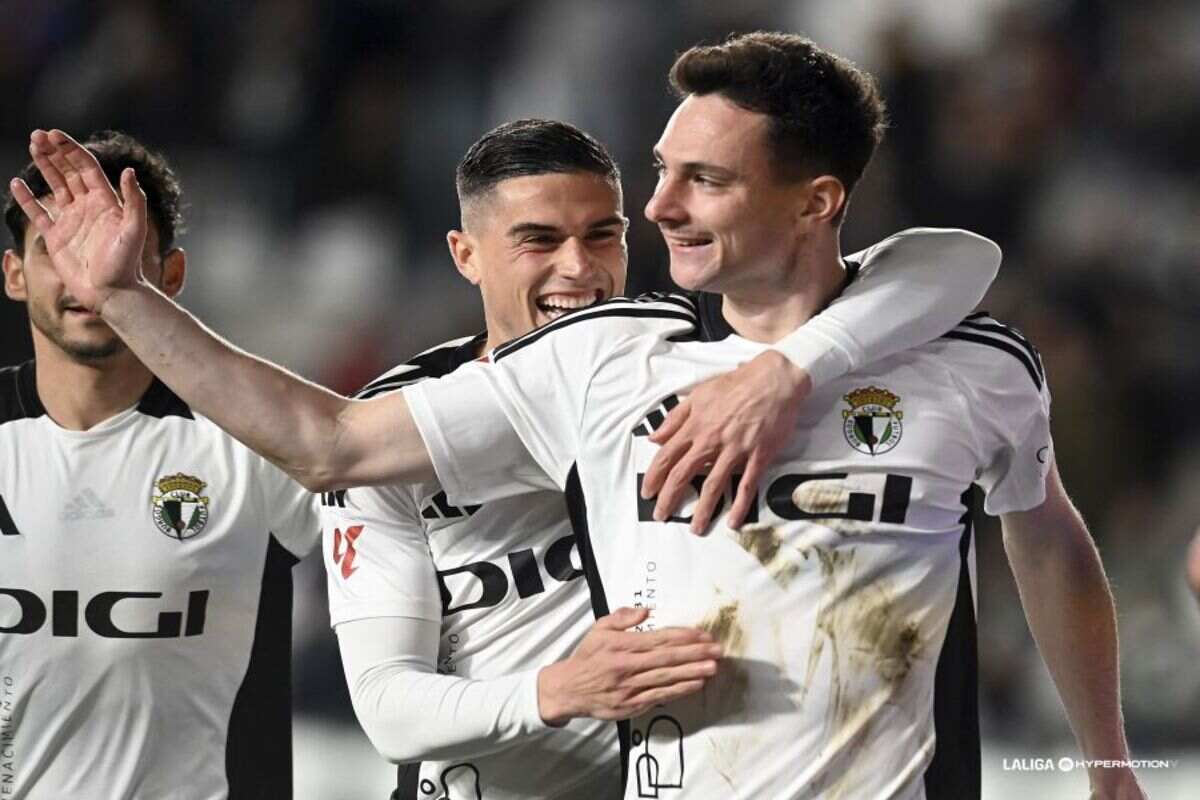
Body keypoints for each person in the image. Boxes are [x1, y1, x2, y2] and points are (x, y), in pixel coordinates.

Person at [23, 36, 1131, 800]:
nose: (657, 211)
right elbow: (331, 443)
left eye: (701, 180)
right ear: (465, 256)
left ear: (816, 202)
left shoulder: (972, 360)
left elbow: (1047, 533)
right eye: (661, 173)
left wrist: (1106, 758)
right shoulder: (603, 361)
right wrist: (129, 298)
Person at [320, 119, 1001, 799]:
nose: (579, 268)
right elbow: (389, 711)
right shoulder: (404, 426)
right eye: (539, 240)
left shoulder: (693, 359)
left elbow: (952, 262)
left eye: (601, 235)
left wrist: (789, 367)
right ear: (466, 255)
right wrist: (558, 688)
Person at [0, 132, 319, 799]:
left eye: (116, 252)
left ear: (170, 276)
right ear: (14, 273)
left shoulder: (250, 443)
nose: (88, 277)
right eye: (57, 251)